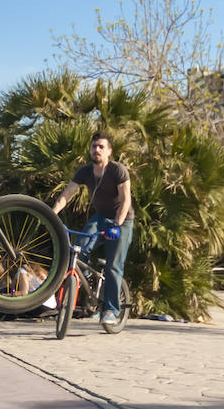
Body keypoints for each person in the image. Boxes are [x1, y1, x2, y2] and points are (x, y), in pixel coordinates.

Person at [51, 131, 134, 325]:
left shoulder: (118, 170)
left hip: (122, 221)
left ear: (109, 151)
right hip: (100, 218)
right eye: (94, 146)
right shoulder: (85, 172)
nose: (96, 150)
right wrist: (51, 214)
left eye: (101, 147)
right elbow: (67, 194)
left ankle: (112, 310)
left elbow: (125, 200)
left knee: (114, 265)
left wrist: (117, 224)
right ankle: (88, 288)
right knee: (79, 250)